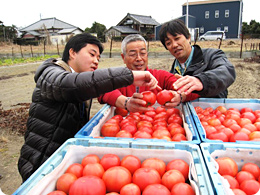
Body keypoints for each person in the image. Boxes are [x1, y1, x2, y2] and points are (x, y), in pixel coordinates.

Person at [17, 33, 159, 182]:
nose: (96, 61)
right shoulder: (51, 72)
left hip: (64, 160)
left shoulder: (80, 79)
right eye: (92, 54)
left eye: (98, 58)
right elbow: (70, 85)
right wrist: (129, 76)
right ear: (72, 52)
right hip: (40, 163)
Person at [98, 34, 200, 113]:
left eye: (143, 53)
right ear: (123, 57)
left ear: (147, 55)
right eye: (133, 54)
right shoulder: (118, 79)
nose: (139, 58)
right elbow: (102, 90)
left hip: (155, 127)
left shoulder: (160, 76)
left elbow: (192, 90)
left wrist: (180, 95)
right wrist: (126, 102)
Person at [159, 19, 236, 98]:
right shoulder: (172, 73)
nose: (174, 45)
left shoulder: (211, 55)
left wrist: (202, 81)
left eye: (177, 38)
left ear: (188, 37)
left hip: (213, 108)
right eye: (168, 43)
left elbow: (227, 71)